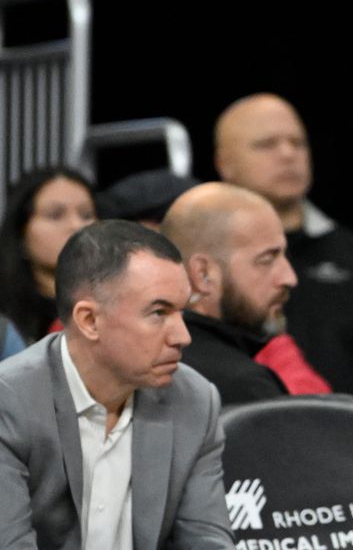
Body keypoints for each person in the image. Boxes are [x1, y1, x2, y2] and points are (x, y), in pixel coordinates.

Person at [0, 219, 234, 549]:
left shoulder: (195, 400)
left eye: (182, 312)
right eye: (158, 312)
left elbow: (206, 541)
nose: (183, 337)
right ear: (89, 320)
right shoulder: (10, 401)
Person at [214, 93, 353, 421]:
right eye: (267, 144)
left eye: (298, 143)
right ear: (225, 164)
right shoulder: (210, 260)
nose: (287, 154)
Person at [160, 182, 301, 405]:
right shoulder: (243, 386)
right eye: (267, 259)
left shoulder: (142, 366)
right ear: (202, 273)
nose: (289, 277)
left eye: (284, 255)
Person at [0, 167, 97, 344]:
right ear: (20, 232)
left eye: (86, 215)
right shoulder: (5, 326)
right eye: (55, 215)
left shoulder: (115, 304)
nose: (76, 226)